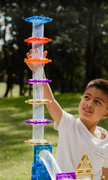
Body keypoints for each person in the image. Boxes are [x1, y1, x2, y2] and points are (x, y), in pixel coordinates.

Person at [26, 49, 108, 180]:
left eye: (98, 102)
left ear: (106, 113)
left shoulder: (106, 141)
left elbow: (105, 175)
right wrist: (39, 72)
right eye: (87, 97)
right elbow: (50, 101)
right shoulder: (69, 124)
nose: (89, 103)